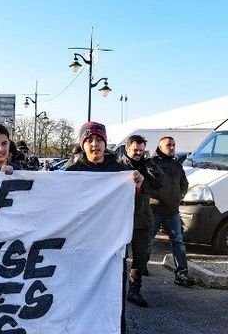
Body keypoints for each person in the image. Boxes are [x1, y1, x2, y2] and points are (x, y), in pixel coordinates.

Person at [66, 122, 144, 334]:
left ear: (105, 142)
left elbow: (134, 198)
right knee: (79, 290)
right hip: (82, 243)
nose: (95, 145)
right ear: (82, 144)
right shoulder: (71, 172)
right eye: (89, 140)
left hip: (111, 244)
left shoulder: (120, 170)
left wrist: (137, 183)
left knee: (112, 290)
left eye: (99, 140)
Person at [120, 135, 164, 307]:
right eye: (135, 150)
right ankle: (115, 289)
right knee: (118, 257)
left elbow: (160, 184)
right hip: (119, 219)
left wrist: (148, 168)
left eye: (141, 150)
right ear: (127, 149)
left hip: (142, 217)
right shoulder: (117, 167)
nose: (138, 153)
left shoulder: (148, 166)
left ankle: (134, 290)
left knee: (141, 257)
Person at [147, 136, 196, 286]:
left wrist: (179, 196)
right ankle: (140, 268)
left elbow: (184, 183)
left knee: (178, 241)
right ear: (160, 147)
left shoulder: (177, 165)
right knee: (147, 240)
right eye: (168, 145)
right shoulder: (152, 164)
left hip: (172, 211)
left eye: (173, 145)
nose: (172, 147)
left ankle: (181, 274)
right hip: (155, 210)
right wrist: (156, 197)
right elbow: (146, 186)